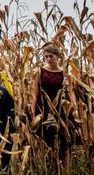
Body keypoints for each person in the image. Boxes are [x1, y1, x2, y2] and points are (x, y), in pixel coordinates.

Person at [30, 44, 80, 172]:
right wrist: (33, 113)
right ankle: (51, 170)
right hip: (44, 111)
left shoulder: (65, 74)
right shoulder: (39, 71)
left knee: (65, 143)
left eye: (51, 56)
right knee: (49, 143)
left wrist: (75, 111)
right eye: (46, 56)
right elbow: (34, 94)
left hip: (62, 110)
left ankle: (65, 170)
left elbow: (71, 94)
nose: (48, 59)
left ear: (58, 57)